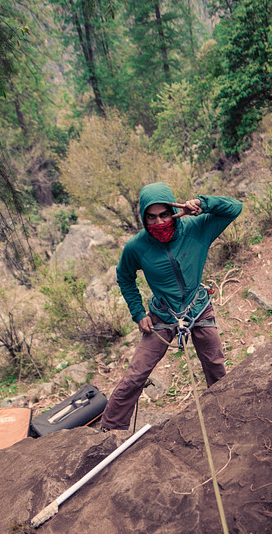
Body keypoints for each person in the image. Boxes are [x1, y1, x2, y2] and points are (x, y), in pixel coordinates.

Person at [100, 182, 243, 431]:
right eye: (151, 217)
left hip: (198, 307)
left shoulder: (197, 228)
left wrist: (203, 203)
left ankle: (225, 415)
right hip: (163, 314)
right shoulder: (137, 246)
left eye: (164, 214)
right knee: (136, 374)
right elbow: (124, 276)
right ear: (143, 218)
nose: (159, 222)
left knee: (215, 366)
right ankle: (109, 430)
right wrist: (138, 313)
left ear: (174, 210)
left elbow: (235, 208)